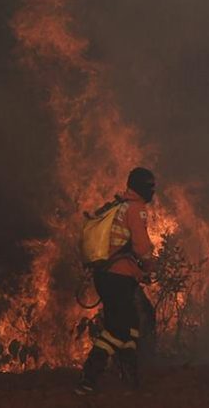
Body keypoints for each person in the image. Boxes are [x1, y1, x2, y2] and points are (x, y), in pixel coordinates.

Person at [75, 167, 157, 395]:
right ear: (141, 188)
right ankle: (88, 379)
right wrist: (150, 267)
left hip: (108, 275)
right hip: (117, 278)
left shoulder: (119, 205)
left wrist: (139, 273)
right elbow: (141, 247)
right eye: (150, 187)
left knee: (131, 325)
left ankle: (130, 376)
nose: (152, 191)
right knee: (118, 330)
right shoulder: (136, 209)